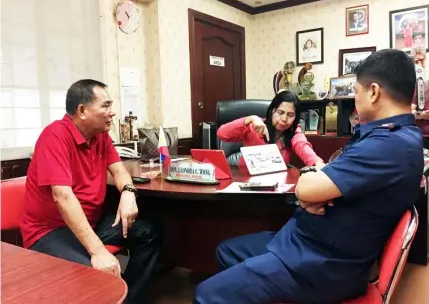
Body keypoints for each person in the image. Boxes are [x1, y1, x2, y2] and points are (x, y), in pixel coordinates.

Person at [194, 49, 423, 304]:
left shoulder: (386, 144)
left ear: (373, 92)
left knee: (206, 294)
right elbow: (322, 182)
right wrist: (314, 189)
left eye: (355, 93)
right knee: (227, 251)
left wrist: (310, 189)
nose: (284, 118)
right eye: (280, 112)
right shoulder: (402, 136)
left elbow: (308, 184)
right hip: (307, 241)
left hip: (316, 264)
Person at [20, 79, 163, 304]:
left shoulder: (100, 136)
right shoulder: (54, 136)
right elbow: (63, 197)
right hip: (49, 231)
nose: (112, 112)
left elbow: (119, 171)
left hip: (89, 223)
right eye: (105, 106)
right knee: (100, 277)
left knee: (150, 230)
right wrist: (97, 251)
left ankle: (131, 299)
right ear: (83, 111)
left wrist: (128, 192)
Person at [217, 90, 324, 168]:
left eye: (290, 115)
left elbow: (303, 146)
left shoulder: (293, 131)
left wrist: (317, 163)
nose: (284, 119)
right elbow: (222, 134)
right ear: (272, 110)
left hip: (276, 182)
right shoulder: (255, 125)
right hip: (245, 178)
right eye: (280, 113)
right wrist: (250, 118)